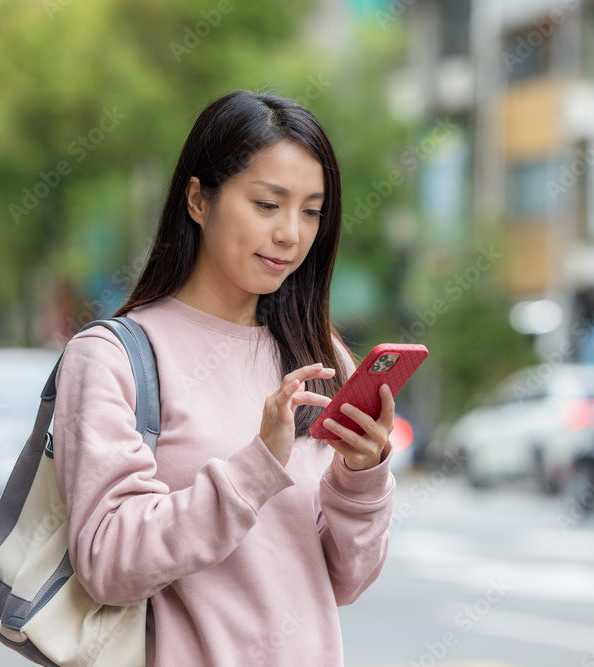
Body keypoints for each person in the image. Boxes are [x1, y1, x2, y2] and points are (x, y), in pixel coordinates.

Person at [52, 89, 396, 666]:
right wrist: (257, 466)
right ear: (198, 201)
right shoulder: (114, 356)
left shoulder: (320, 354)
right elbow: (108, 563)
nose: (291, 233)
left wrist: (361, 478)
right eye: (267, 204)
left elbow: (345, 581)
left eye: (311, 211)